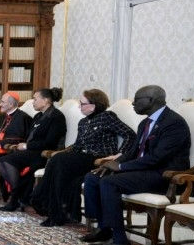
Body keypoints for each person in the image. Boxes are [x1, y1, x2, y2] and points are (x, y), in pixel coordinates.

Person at [80, 85, 190, 245]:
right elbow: (133, 153)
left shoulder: (174, 124)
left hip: (164, 175)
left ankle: (120, 241)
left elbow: (157, 158)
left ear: (151, 101)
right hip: (143, 170)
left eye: (137, 100)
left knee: (109, 183)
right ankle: (104, 228)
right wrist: (112, 164)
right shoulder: (145, 123)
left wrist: (121, 167)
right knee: (93, 177)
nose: (133, 103)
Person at [29, 89, 136, 227]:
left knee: (59, 161)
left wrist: (120, 154)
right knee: (58, 160)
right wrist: (61, 152)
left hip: (98, 158)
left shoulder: (107, 117)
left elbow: (130, 135)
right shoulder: (83, 122)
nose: (79, 106)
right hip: (81, 157)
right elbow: (78, 146)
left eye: (82, 103)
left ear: (93, 105)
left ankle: (45, 202)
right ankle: (55, 210)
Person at [0, 88, 67, 213]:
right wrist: (23, 145)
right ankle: (18, 196)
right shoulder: (38, 116)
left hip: (43, 153)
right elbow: (30, 137)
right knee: (2, 161)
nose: (32, 102)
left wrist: (26, 146)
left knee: (5, 161)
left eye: (35, 99)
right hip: (31, 151)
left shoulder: (56, 117)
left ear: (46, 101)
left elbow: (50, 142)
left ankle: (16, 196)